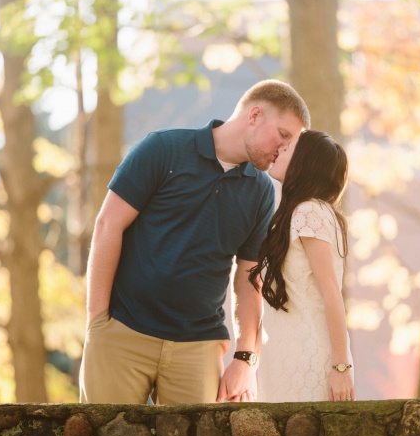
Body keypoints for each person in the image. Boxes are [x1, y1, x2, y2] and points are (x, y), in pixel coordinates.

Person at [79, 79, 310, 405]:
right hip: (123, 334)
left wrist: (245, 359)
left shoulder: (261, 192)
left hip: (198, 348)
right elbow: (107, 226)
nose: (284, 149)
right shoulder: (163, 149)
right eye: (283, 135)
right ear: (255, 115)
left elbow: (249, 280)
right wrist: (97, 322)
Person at [248, 130, 354, 402]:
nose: (279, 150)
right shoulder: (298, 213)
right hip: (282, 357)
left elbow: (331, 292)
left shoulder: (309, 212)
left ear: (305, 162)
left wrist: (341, 367)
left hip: (308, 358)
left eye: (288, 148)